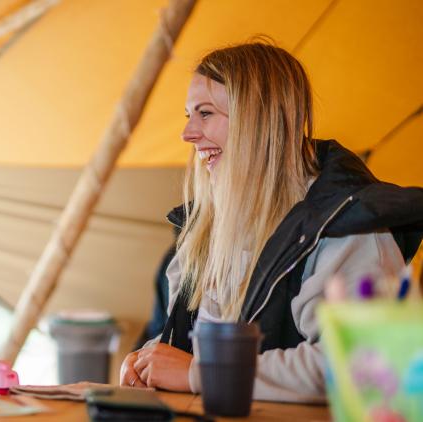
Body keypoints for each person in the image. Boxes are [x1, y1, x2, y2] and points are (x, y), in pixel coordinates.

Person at [120, 41, 423, 403]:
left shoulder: (346, 226)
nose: (188, 134)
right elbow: (183, 343)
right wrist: (148, 358)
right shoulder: (203, 230)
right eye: (189, 115)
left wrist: (201, 374)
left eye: (205, 114)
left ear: (256, 120)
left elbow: (366, 363)